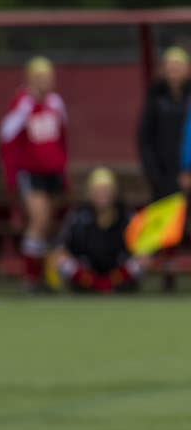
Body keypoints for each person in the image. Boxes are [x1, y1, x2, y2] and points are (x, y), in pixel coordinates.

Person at [0, 57, 69, 292]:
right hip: (31, 172)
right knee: (38, 220)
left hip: (52, 171)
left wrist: (63, 170)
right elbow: (6, 136)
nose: (43, 82)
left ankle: (44, 276)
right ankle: (30, 277)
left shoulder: (56, 103)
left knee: (48, 223)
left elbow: (62, 140)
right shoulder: (22, 102)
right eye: (38, 77)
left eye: (47, 77)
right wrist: (11, 176)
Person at [51, 168, 141, 293]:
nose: (102, 194)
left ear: (114, 192)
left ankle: (111, 286)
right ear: (90, 193)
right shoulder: (77, 217)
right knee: (60, 259)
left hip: (118, 274)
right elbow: (60, 250)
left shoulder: (128, 217)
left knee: (143, 259)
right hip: (87, 275)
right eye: (98, 190)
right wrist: (95, 282)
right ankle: (95, 287)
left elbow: (142, 254)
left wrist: (111, 280)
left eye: (106, 190)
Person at [141, 47, 191, 203]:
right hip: (162, 177)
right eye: (169, 65)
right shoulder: (155, 97)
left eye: (178, 65)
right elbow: (145, 138)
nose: (173, 70)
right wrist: (155, 175)